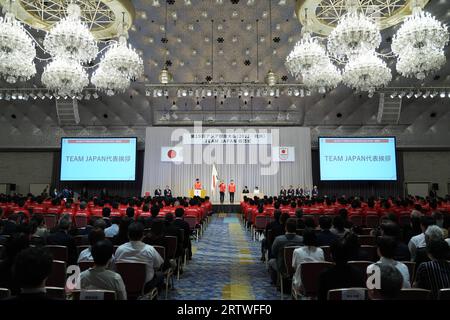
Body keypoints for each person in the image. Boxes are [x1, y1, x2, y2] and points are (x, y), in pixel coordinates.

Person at [114, 222, 164, 293]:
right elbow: (157, 266)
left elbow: (116, 267)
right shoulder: (149, 249)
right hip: (145, 286)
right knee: (160, 275)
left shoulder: (119, 249)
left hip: (123, 284)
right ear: (143, 235)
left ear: (128, 235)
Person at [268, 218, 303, 285]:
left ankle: (276, 282)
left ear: (285, 228)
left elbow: (273, 252)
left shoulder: (278, 239)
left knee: (271, 261)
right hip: (297, 266)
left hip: (282, 266)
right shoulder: (302, 240)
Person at [292, 229, 324, 294]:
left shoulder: (297, 251)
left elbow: (294, 267)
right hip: (318, 285)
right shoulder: (320, 251)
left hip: (301, 286)